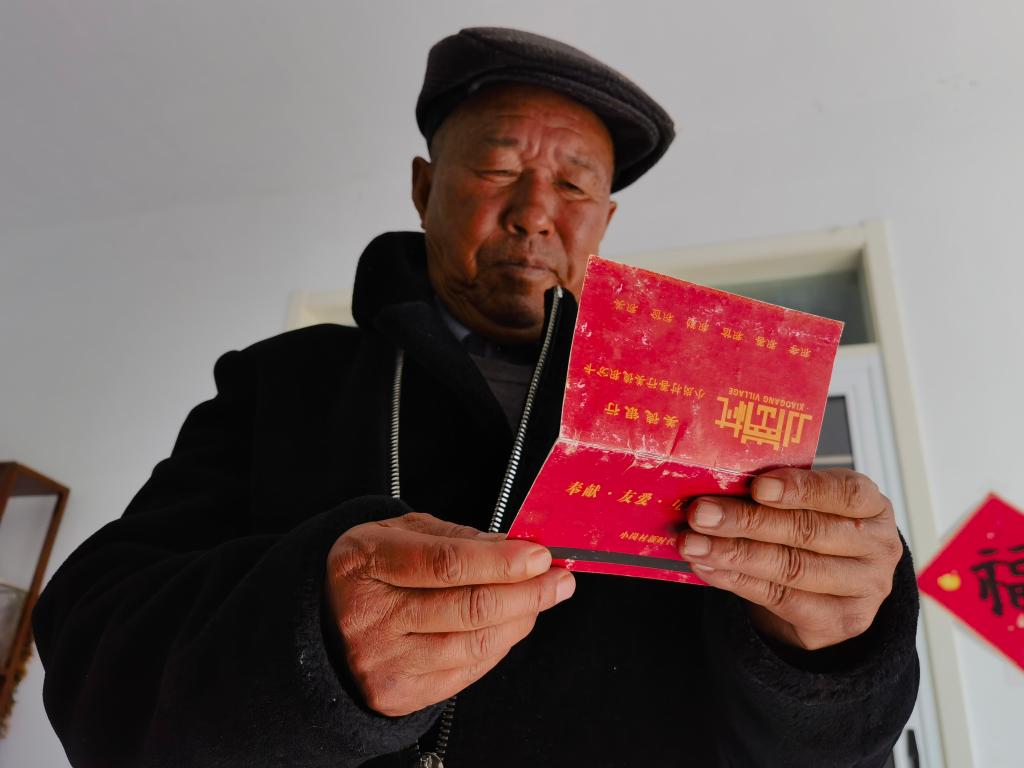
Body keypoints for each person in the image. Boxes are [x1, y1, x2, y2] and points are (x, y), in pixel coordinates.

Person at [33, 27, 919, 768]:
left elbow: (833, 752)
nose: (535, 211)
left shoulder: (703, 411)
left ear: (605, 224)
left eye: (575, 185)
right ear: (424, 190)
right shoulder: (284, 382)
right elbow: (90, 650)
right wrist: (308, 650)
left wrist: (839, 655)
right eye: (497, 169)